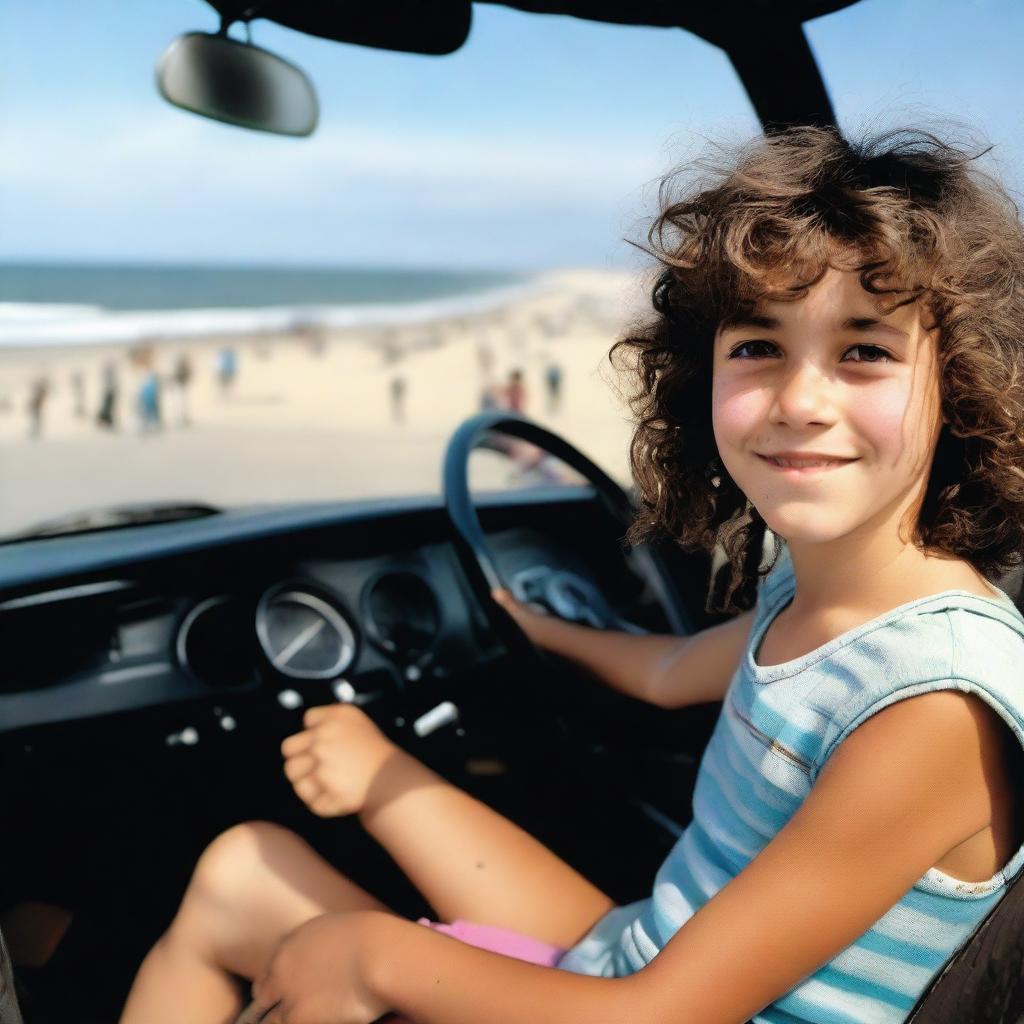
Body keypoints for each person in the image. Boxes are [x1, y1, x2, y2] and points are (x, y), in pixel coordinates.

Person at [119, 126, 1024, 1024]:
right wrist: (542, 627)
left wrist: (380, 960)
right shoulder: (819, 595)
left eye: (865, 350)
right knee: (243, 866)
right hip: (640, 952)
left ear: (965, 383)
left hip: (653, 1004)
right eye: (758, 347)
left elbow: (661, 1015)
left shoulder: (928, 703)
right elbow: (668, 673)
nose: (799, 400)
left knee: (268, 908)